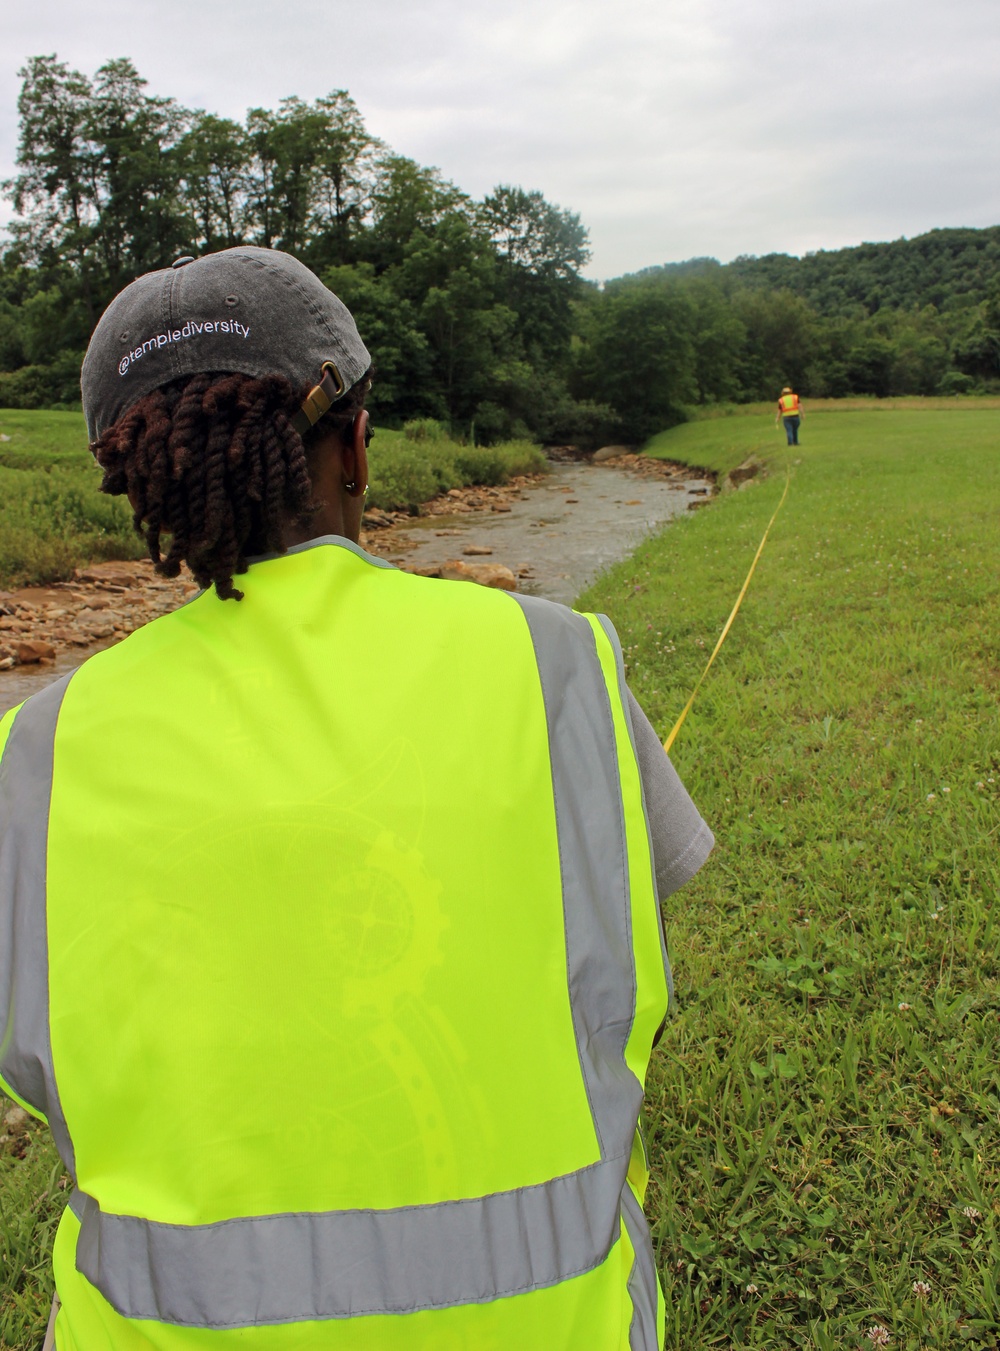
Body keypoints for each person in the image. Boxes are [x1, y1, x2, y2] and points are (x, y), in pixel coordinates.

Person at [0, 247, 713, 1351]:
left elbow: (39, 1067)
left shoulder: (38, 747)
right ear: (361, 447)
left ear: (143, 487)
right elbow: (622, 956)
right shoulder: (557, 661)